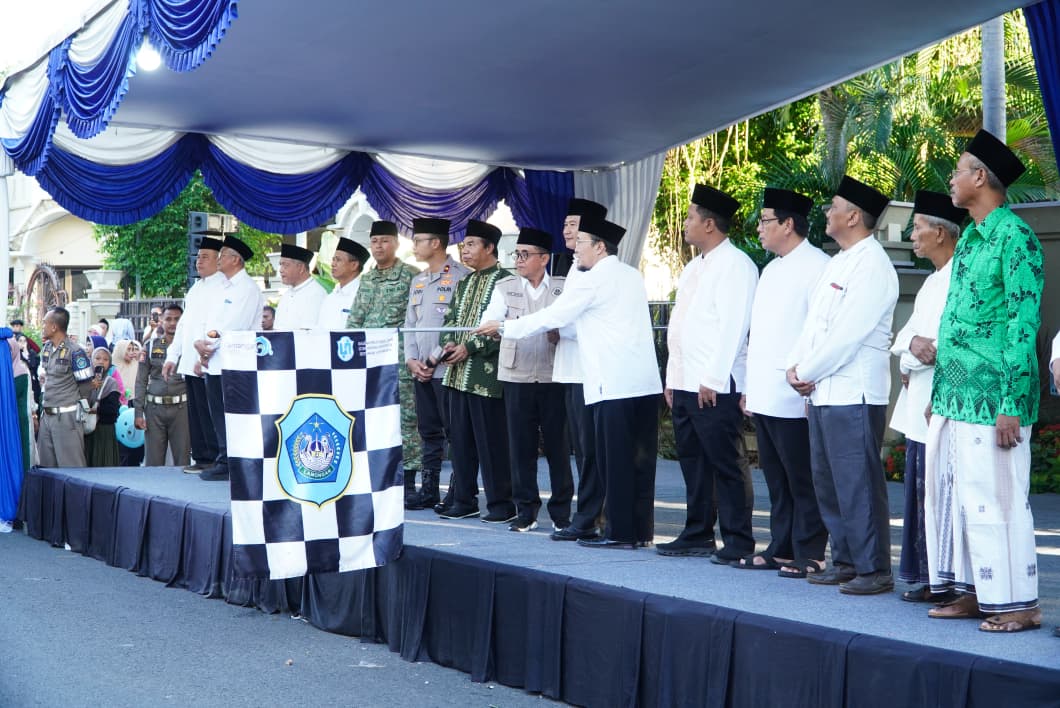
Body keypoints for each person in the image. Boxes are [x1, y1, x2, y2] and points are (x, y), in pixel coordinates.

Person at [478, 216, 662, 549]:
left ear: (600, 247)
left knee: (614, 461)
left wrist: (505, 327)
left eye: (582, 243)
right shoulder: (630, 274)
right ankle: (640, 531)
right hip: (643, 384)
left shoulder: (594, 280)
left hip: (612, 383)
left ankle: (619, 533)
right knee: (640, 462)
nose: (575, 249)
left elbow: (554, 315)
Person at [925, 129, 1043, 632]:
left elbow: (1023, 323)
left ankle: (1020, 604)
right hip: (956, 395)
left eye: (957, 171)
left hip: (995, 396)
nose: (951, 180)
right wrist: (938, 393)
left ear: (979, 177)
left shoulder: (1016, 237)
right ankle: (978, 592)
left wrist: (1012, 401)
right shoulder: (971, 237)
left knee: (1000, 500)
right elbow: (953, 320)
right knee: (960, 499)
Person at [786, 176, 897, 595]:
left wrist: (807, 371)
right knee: (829, 481)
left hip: (854, 391)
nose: (827, 213)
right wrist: (795, 366)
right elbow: (813, 325)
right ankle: (847, 560)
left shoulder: (873, 265)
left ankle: (874, 568)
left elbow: (848, 334)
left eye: (833, 206)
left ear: (853, 217)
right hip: (823, 390)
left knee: (857, 483)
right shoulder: (838, 262)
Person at [658, 184, 758, 564]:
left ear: (710, 224)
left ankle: (738, 540)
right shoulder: (693, 266)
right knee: (693, 461)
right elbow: (680, 327)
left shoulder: (736, 265)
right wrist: (673, 378)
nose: (685, 224)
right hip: (686, 381)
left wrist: (713, 378)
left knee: (725, 461)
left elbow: (734, 327)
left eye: (689, 218)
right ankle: (698, 532)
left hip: (714, 384)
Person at [741, 187, 831, 578]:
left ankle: (810, 550)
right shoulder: (771, 269)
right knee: (776, 477)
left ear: (788, 224)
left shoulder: (819, 266)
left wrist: (807, 379)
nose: (759, 229)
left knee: (802, 477)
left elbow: (818, 332)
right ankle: (781, 545)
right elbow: (759, 334)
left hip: (796, 392)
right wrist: (749, 386)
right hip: (765, 390)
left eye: (765, 221)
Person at [887, 191, 965, 602]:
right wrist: (911, 349)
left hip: (941, 400)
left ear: (940, 232)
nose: (911, 236)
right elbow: (905, 340)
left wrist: (912, 350)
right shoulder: (933, 279)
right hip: (920, 399)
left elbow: (938, 348)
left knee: (940, 494)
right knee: (922, 493)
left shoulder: (961, 277)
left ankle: (948, 583)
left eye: (917, 228)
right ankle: (930, 578)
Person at [479, 227, 573, 532]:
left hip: (553, 376)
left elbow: (572, 324)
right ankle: (526, 511)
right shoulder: (505, 288)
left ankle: (561, 513)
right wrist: (503, 326)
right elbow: (490, 322)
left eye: (525, 254)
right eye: (516, 254)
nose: (518, 260)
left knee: (559, 447)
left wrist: (558, 330)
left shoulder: (563, 287)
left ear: (544, 258)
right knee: (521, 447)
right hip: (516, 376)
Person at [437, 220, 514, 522]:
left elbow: (505, 327)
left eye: (470, 244)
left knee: (491, 443)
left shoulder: (507, 282)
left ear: (489, 247)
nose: (464, 250)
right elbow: (450, 320)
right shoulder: (464, 282)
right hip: (456, 376)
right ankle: (464, 500)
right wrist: (448, 344)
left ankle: (501, 505)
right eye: (463, 245)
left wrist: (469, 347)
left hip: (486, 377)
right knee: (460, 443)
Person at [346, 221, 423, 500]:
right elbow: (355, 319)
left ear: (397, 244)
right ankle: (380, 476)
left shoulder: (411, 276)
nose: (379, 246)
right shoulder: (367, 279)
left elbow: (416, 320)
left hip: (398, 359)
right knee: (373, 418)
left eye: (385, 241)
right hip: (369, 360)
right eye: (375, 241)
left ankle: (409, 481)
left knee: (406, 420)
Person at [549, 198, 610, 541]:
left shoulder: (593, 270)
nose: (567, 231)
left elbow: (581, 320)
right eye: (565, 224)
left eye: (574, 225)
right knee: (581, 448)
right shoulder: (574, 265)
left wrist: (556, 327)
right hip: (570, 368)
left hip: (589, 370)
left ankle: (590, 517)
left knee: (591, 449)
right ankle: (587, 514)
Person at [403, 218, 471, 511]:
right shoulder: (418, 280)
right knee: (428, 431)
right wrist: (411, 360)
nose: (414, 246)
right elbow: (409, 325)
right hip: (421, 370)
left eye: (418, 240)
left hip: (448, 369)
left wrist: (434, 359)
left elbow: (458, 325)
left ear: (436, 243)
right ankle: (429, 489)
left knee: (455, 432)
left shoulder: (461, 277)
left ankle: (458, 491)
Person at [195, 235, 265, 481]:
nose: (219, 258)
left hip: (236, 362)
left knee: (235, 415)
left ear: (235, 260)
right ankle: (224, 459)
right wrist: (201, 345)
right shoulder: (222, 287)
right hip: (215, 361)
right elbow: (209, 322)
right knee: (218, 414)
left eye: (223, 255)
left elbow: (235, 325)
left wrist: (207, 345)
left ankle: (236, 463)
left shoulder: (246, 288)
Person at [163, 236, 223, 473]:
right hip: (190, 361)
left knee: (210, 414)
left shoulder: (223, 287)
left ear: (219, 261)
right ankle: (202, 458)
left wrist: (202, 358)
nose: (199, 261)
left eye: (205, 257)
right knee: (196, 413)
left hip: (208, 361)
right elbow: (184, 326)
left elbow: (214, 327)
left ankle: (216, 459)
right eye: (198, 257)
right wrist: (172, 356)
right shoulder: (196, 288)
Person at [135, 304, 190, 468]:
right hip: (154, 410)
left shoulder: (189, 346)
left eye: (177, 319)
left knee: (183, 460)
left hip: (181, 409)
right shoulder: (150, 346)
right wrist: (138, 412)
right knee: (153, 462)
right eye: (168, 319)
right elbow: (141, 381)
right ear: (161, 321)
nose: (173, 323)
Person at [38, 307, 94, 467]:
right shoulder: (47, 348)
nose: (43, 326)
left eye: (45, 323)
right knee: (47, 468)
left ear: (54, 327)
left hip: (67, 417)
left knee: (71, 467)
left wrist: (78, 409)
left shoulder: (75, 351)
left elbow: (86, 386)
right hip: (47, 415)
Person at [273, 243, 327, 330]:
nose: (281, 270)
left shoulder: (316, 294)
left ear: (301, 268)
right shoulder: (287, 294)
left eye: (285, 265)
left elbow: (308, 332)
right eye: (281, 265)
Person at [319, 238, 369, 329]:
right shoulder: (330, 297)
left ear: (354, 265)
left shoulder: (364, 297)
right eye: (333, 259)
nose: (333, 264)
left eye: (338, 260)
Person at [84, 347, 121, 467]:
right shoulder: (84, 382)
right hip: (86, 431)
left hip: (104, 432)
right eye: (97, 358)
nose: (101, 362)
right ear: (91, 360)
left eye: (105, 359)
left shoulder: (111, 383)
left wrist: (96, 410)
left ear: (110, 364)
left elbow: (112, 411)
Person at [112, 338, 145, 467]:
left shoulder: (136, 364)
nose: (132, 352)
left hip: (135, 403)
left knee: (136, 436)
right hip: (118, 405)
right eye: (128, 349)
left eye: (134, 349)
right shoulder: (114, 366)